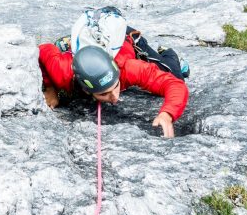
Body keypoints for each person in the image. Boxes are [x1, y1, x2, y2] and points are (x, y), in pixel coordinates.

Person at [38, 25, 189, 138]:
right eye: (104, 94)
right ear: (85, 89)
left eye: (115, 86)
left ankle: (170, 54)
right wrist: (50, 87)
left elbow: (174, 84)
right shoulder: (62, 70)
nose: (115, 98)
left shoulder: (128, 68)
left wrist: (168, 113)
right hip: (90, 39)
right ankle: (70, 42)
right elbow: (44, 49)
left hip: (123, 36)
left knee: (175, 74)